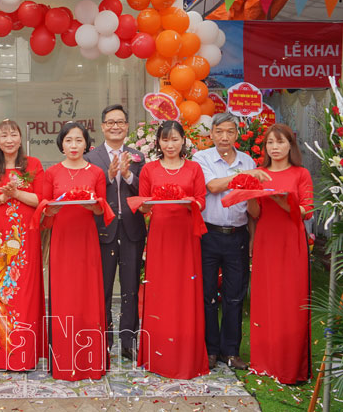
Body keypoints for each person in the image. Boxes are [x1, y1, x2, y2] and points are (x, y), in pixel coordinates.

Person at [193, 113, 270, 371]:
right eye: (219, 131)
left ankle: (231, 351)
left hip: (238, 234)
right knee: (207, 295)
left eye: (230, 132)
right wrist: (244, 177)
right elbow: (213, 187)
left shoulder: (246, 160)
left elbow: (252, 204)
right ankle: (210, 349)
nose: (224, 137)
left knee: (235, 295)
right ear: (211, 134)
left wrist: (253, 236)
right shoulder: (201, 158)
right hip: (209, 235)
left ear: (236, 134)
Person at [137, 120, 209, 379]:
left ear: (183, 141)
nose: (170, 145)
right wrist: (148, 204)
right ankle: (158, 355)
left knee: (185, 291)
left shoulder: (194, 168)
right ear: (158, 142)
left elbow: (201, 201)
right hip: (160, 237)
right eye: (165, 139)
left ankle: (186, 354)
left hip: (186, 236)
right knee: (160, 291)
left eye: (175, 139)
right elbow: (143, 205)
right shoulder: (149, 169)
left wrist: (187, 200)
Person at [246, 123, 313, 384]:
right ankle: (264, 362)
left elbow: (307, 210)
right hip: (266, 240)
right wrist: (250, 194)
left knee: (291, 299)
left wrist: (281, 200)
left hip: (291, 240)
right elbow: (255, 213)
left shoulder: (301, 174)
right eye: (270, 143)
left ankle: (291, 364)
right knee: (265, 298)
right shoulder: (259, 173)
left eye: (280, 142)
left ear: (290, 146)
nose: (275, 147)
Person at [42, 122, 107, 381]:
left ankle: (90, 359)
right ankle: (63, 358)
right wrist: (52, 209)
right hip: (62, 238)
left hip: (86, 238)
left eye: (79, 140)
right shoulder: (52, 173)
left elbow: (101, 209)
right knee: (63, 294)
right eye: (68, 140)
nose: (73, 145)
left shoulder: (96, 173)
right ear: (61, 144)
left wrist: (92, 206)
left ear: (86, 144)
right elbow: (45, 211)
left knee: (88, 292)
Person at [0, 119, 44, 371]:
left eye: (13, 134)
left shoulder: (33, 164)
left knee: (24, 289)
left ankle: (24, 354)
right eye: (4, 135)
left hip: (25, 236)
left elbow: (41, 199)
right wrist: (3, 196)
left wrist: (16, 194)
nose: (9, 140)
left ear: (20, 139)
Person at [85, 105, 145, 363]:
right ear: (102, 126)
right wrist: (108, 177)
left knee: (130, 287)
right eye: (110, 122)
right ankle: (105, 340)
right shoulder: (91, 158)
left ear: (127, 126)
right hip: (103, 229)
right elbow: (88, 191)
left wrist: (128, 175)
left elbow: (146, 190)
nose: (115, 126)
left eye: (120, 122)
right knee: (104, 288)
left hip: (132, 228)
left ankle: (129, 341)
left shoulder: (138, 156)